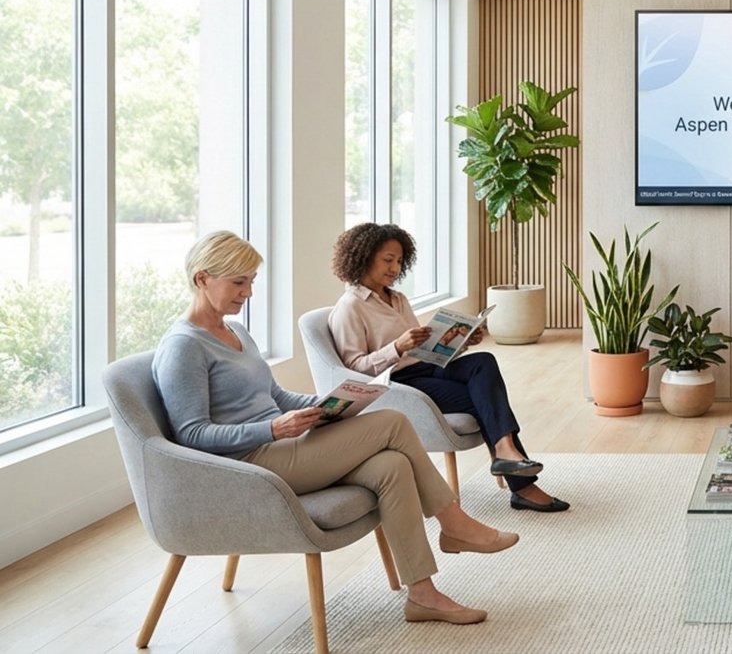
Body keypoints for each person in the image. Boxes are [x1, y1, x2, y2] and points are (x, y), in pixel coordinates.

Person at [151, 232, 514, 626]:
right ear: (202, 278)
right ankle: (453, 522)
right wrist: (271, 429)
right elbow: (191, 434)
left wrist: (324, 407)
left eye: (252, 281)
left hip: (285, 445)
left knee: (390, 466)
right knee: (393, 420)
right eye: (239, 282)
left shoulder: (236, 332)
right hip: (251, 464)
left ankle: (422, 595)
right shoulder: (183, 346)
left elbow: (273, 394)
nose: (248, 293)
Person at [327, 223, 569, 512]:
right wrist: (397, 347)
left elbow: (422, 349)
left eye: (400, 261)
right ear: (364, 256)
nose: (395, 267)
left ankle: (506, 454)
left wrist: (461, 340)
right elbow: (353, 369)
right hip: (400, 384)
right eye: (387, 259)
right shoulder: (349, 307)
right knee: (484, 400)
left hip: (426, 367)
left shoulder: (398, 298)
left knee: (483, 361)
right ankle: (522, 484)